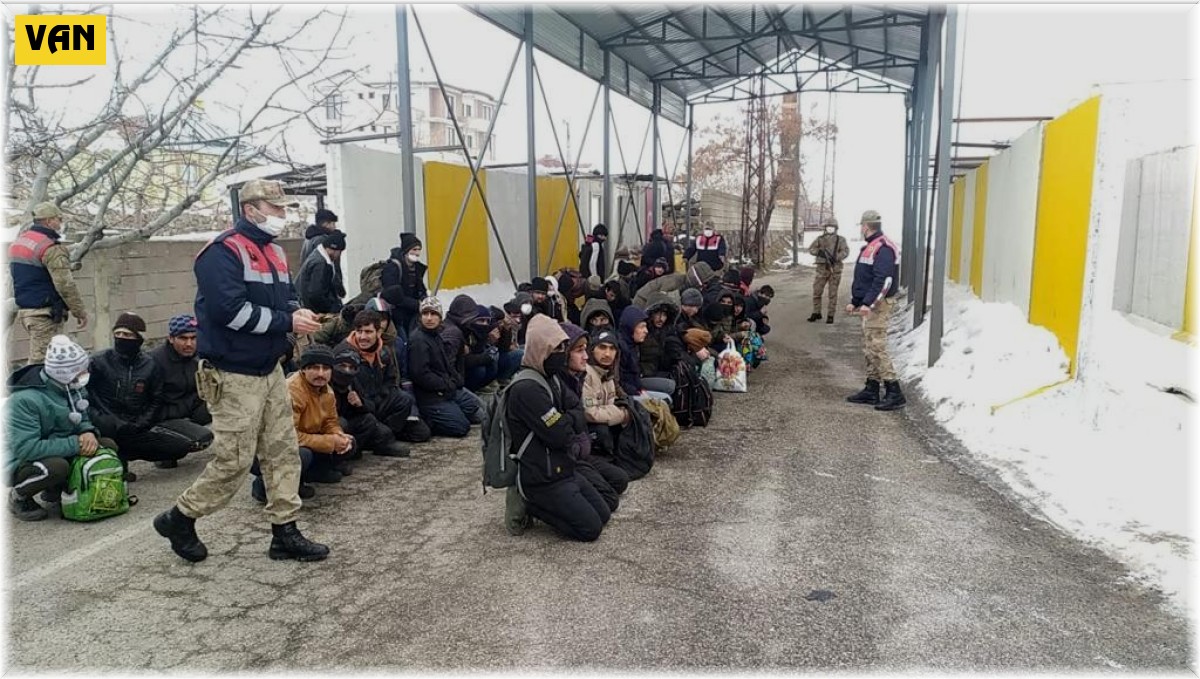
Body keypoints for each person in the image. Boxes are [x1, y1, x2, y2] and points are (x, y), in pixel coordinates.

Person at [154, 178, 329, 564]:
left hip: (268, 369)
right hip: (232, 374)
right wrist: (287, 321)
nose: (283, 217)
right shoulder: (221, 253)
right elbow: (229, 312)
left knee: (283, 453)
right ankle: (179, 518)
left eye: (284, 209)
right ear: (250, 210)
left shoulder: (274, 251)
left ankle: (285, 531)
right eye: (276, 209)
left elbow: (287, 295)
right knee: (233, 461)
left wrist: (296, 311)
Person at [504, 315, 610, 542]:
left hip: (564, 467)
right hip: (543, 478)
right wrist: (570, 419)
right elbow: (559, 435)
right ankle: (531, 504)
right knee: (590, 530)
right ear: (542, 349)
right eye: (557, 348)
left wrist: (567, 418)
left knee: (606, 509)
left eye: (564, 347)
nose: (562, 353)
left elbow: (578, 412)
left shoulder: (552, 378)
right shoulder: (527, 388)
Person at [88, 313, 213, 475]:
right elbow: (91, 398)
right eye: (118, 334)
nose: (189, 343)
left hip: (149, 421)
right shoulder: (101, 362)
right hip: (123, 423)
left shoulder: (153, 364)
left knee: (191, 440)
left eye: (127, 335)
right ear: (171, 338)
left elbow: (158, 398)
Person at [6, 335, 100, 520]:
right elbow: (26, 448)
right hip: (18, 461)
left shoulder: (71, 386)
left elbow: (81, 416)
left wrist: (87, 431)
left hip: (57, 447)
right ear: (65, 372)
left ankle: (56, 490)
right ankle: (19, 496)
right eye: (80, 371)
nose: (85, 374)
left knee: (105, 445)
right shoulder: (25, 400)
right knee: (57, 467)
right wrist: (76, 443)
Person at [557, 323, 628, 512]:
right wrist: (622, 414)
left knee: (620, 480)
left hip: (582, 450)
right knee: (604, 507)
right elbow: (590, 413)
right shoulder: (577, 378)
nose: (607, 354)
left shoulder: (594, 375)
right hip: (568, 455)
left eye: (612, 348)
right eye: (602, 347)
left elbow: (610, 402)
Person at [9, 202, 88, 364]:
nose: (60, 223)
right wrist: (79, 311)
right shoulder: (50, 247)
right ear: (48, 221)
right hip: (44, 314)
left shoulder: (20, 242)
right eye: (58, 219)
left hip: (26, 311)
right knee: (42, 363)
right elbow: (65, 284)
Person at [334, 310, 427, 444]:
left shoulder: (383, 352)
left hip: (377, 402)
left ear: (378, 333)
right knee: (384, 433)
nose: (362, 336)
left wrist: (379, 398)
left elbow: (390, 381)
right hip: (358, 410)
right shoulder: (344, 355)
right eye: (359, 331)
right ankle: (381, 437)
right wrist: (363, 404)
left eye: (368, 332)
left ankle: (386, 433)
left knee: (410, 409)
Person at [845, 210, 906, 411]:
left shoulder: (884, 248)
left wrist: (868, 303)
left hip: (879, 305)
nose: (861, 229)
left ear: (866, 226)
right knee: (869, 345)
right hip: (870, 304)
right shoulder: (870, 247)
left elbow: (884, 280)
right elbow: (864, 277)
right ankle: (872, 388)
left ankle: (894, 391)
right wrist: (856, 301)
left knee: (877, 346)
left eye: (862, 226)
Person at [407, 297, 483, 438]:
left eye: (433, 314)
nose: (429, 318)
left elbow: (446, 364)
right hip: (430, 397)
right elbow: (420, 375)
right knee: (461, 427)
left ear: (440, 317)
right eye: (425, 314)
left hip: (445, 389)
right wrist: (445, 384)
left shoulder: (436, 335)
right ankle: (429, 420)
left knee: (472, 405)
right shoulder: (418, 340)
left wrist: (455, 379)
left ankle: (449, 412)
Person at [286, 346, 356, 484]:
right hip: (278, 445)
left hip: (307, 436)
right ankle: (264, 486)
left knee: (349, 441)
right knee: (302, 455)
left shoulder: (326, 390)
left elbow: (330, 421)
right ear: (303, 369)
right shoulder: (292, 390)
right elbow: (288, 436)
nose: (321, 373)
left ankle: (315, 472)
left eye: (326, 368)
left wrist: (338, 435)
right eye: (314, 368)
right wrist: (330, 442)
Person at [329, 348, 410, 458]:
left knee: (379, 428)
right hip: (331, 426)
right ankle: (337, 457)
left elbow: (370, 406)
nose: (347, 371)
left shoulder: (352, 382)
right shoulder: (326, 383)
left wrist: (360, 403)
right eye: (342, 366)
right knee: (341, 423)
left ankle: (354, 449)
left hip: (356, 417)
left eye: (351, 367)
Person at [151, 314, 211, 429]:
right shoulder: (155, 362)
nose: (189, 344)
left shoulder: (201, 357)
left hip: (195, 414)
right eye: (183, 338)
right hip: (167, 419)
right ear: (171, 339)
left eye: (193, 338)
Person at [617, 306, 674, 403]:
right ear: (630, 327)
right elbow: (621, 381)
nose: (646, 331)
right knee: (665, 400)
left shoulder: (633, 345)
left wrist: (640, 389)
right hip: (627, 393)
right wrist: (639, 392)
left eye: (646, 326)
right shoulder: (621, 349)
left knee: (670, 387)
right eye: (641, 327)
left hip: (637, 384)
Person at [808, 217, 851, 323]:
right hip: (821, 269)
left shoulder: (841, 240)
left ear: (836, 228)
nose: (830, 229)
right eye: (828, 227)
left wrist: (836, 257)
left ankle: (830, 315)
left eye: (832, 227)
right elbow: (811, 249)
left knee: (832, 293)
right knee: (817, 292)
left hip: (834, 269)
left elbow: (845, 252)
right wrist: (819, 253)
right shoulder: (820, 239)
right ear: (825, 228)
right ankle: (816, 312)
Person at [297, 230, 347, 314]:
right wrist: (332, 308)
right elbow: (316, 294)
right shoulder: (320, 264)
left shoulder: (318, 257)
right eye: (340, 252)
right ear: (334, 249)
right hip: (316, 312)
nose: (339, 255)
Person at [639, 293, 685, 383]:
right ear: (650, 314)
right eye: (657, 314)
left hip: (659, 373)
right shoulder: (643, 332)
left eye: (664, 315)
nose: (661, 319)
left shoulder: (667, 333)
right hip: (645, 375)